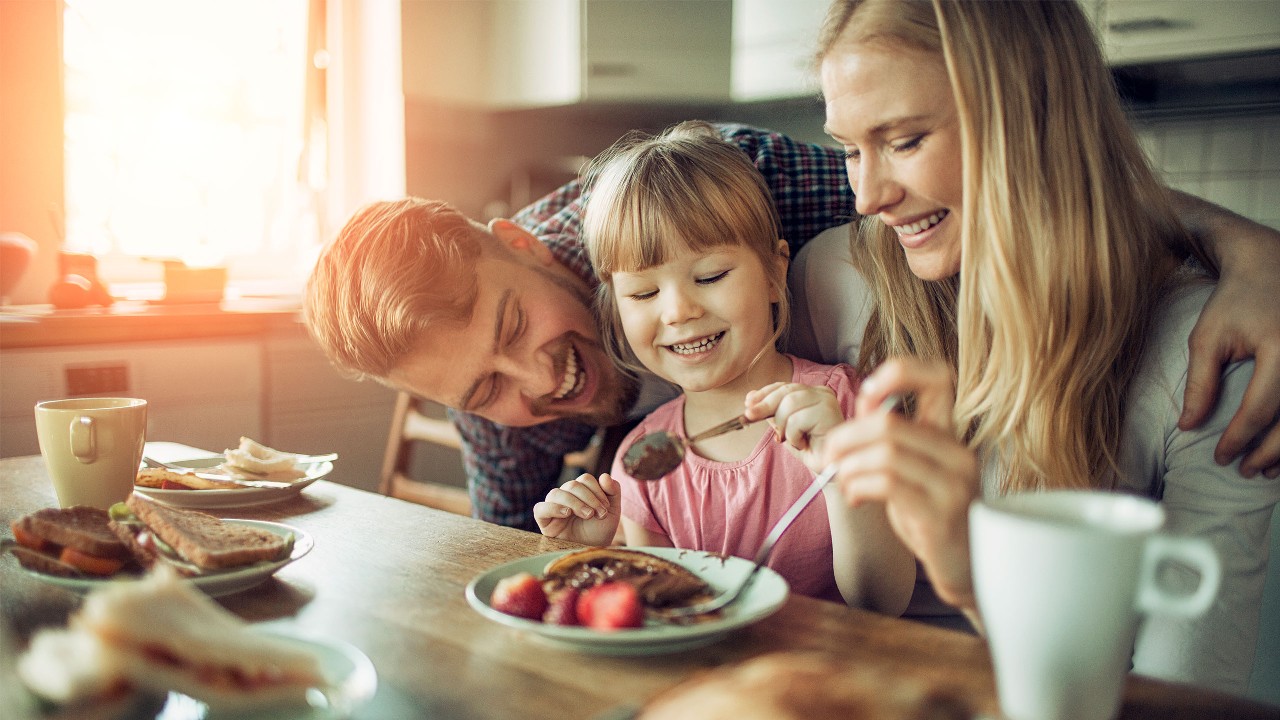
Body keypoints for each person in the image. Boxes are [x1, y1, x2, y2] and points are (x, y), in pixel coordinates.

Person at [304, 122, 1280, 532]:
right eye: (484, 391)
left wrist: (1242, 246)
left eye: (519, 321)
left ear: (519, 241)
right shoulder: (487, 402)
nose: (540, 381)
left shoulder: (724, 188)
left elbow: (999, 204)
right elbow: (527, 568)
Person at [798, 0, 1279, 693]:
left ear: (1028, 122)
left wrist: (970, 578)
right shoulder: (831, 279)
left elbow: (1186, 702)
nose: (867, 193)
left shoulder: (1209, 359)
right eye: (848, 148)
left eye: (904, 141)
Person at [532, 122, 912, 608]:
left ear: (775, 273)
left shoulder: (849, 410)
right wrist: (588, 551)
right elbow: (665, 618)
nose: (677, 311)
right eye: (644, 292)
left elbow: (883, 603)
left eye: (709, 276)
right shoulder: (643, 462)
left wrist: (841, 477)